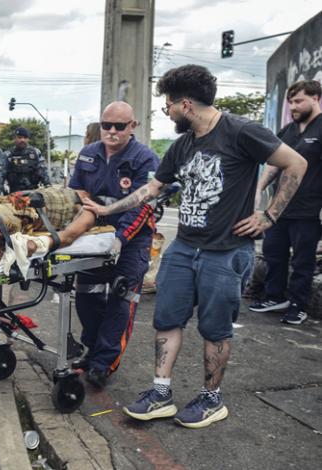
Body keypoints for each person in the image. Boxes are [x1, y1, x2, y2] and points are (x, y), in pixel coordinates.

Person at [83, 64, 307, 428]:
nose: (167, 112)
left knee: (215, 330)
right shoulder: (182, 145)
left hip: (226, 250)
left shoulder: (241, 131)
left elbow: (295, 163)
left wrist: (269, 216)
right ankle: (160, 394)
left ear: (184, 104)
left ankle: (211, 399)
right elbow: (152, 189)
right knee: (166, 320)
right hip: (184, 248)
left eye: (167, 106)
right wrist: (109, 209)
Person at [67, 102, 160, 388]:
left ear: (132, 127)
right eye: (107, 125)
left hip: (132, 240)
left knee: (121, 300)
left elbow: (142, 206)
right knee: (86, 295)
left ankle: (104, 363)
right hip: (94, 235)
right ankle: (92, 350)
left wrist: (119, 239)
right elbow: (76, 189)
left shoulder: (145, 158)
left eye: (120, 126)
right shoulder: (88, 154)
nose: (112, 131)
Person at [250, 80, 322, 325]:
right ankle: (274, 296)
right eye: (291, 102)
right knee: (273, 254)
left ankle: (298, 305)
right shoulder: (288, 131)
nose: (293, 106)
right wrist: (259, 189)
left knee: (303, 260)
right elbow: (273, 163)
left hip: (309, 211)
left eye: (298, 100)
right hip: (278, 209)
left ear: (315, 98)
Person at [0, 126, 52, 195]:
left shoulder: (36, 153)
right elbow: (0, 177)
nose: (22, 140)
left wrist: (49, 191)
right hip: (15, 194)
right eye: (19, 137)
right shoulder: (7, 155)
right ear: (14, 138)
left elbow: (44, 172)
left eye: (25, 137)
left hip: (34, 192)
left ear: (28, 139)